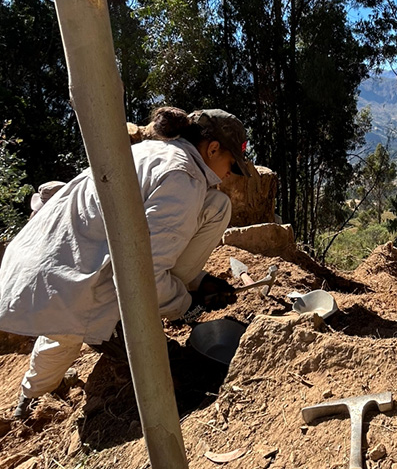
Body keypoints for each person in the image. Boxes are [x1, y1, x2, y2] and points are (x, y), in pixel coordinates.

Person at [0, 107, 251, 419]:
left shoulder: (152, 152)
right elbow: (138, 274)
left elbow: (145, 241)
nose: (229, 174)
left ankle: (27, 400)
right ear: (213, 148)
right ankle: (32, 399)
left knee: (65, 324)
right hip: (72, 282)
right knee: (179, 373)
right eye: (230, 164)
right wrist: (186, 305)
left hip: (46, 270)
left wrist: (198, 282)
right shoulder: (183, 178)